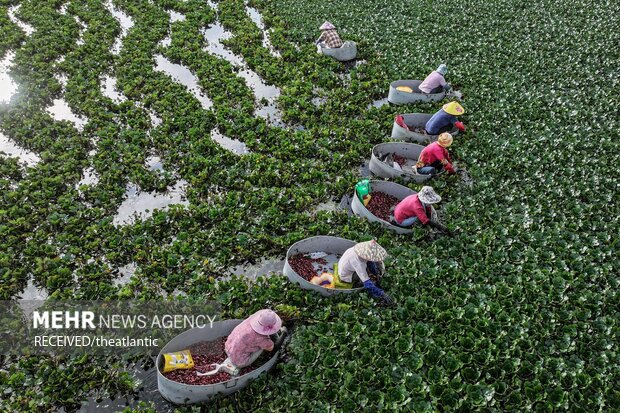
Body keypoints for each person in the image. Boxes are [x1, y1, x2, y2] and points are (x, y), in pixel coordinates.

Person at [338, 240, 394, 305]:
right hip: (346, 274)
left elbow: (370, 261)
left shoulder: (357, 250)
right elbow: (367, 283)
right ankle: (358, 284)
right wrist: (382, 294)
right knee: (366, 281)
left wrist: (376, 273)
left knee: (371, 265)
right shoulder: (358, 263)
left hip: (347, 265)